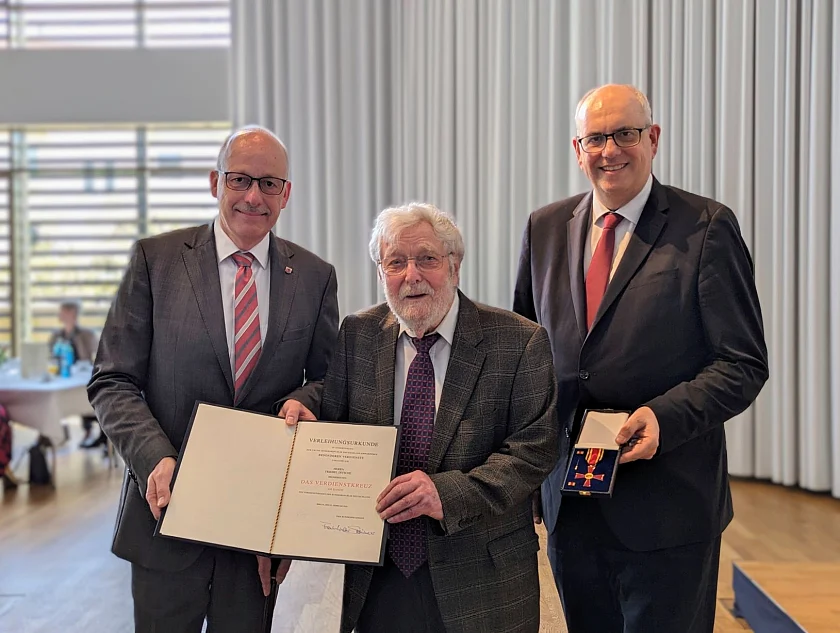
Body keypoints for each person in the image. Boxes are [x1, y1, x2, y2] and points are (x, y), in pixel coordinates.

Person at [513, 83, 769, 633]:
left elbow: (743, 362)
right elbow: (527, 360)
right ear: (577, 150)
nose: (611, 151)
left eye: (625, 134)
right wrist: (529, 479)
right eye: (596, 138)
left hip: (669, 508)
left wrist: (663, 417)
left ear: (652, 139)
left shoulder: (706, 228)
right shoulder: (545, 229)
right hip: (573, 503)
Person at [87, 126, 339, 632]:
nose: (253, 196)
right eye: (239, 179)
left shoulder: (315, 277)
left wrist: (305, 401)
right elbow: (111, 379)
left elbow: (330, 379)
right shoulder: (155, 262)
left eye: (269, 184)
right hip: (166, 517)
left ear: (286, 193)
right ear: (214, 182)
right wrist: (154, 456)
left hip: (257, 532)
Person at [319, 203, 560, 633]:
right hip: (377, 575)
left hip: (482, 578)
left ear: (454, 267)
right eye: (395, 262)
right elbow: (336, 436)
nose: (411, 275)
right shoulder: (356, 335)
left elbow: (534, 451)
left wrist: (444, 493)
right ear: (381, 274)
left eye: (426, 259)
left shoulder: (519, 340)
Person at [48, 301, 101, 448]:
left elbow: (98, 355)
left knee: (86, 393)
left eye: (64, 311)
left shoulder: (86, 334)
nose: (60, 315)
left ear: (73, 314)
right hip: (61, 377)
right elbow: (50, 357)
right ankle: (54, 433)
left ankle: (95, 432)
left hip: (82, 376)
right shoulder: (56, 336)